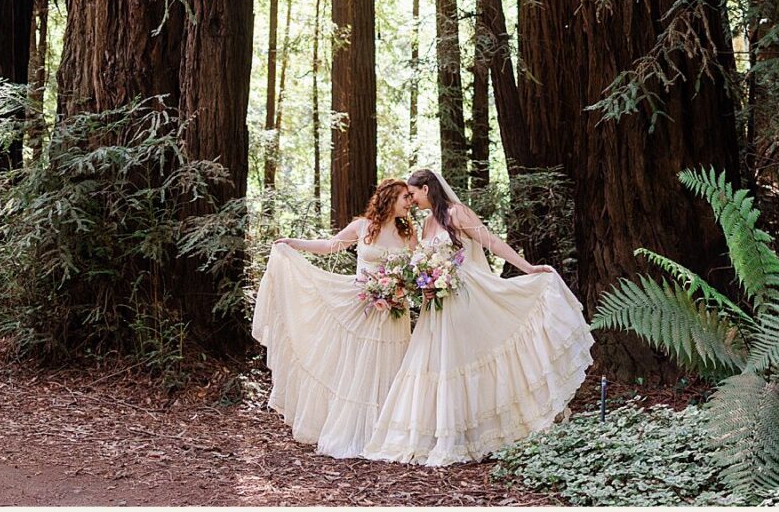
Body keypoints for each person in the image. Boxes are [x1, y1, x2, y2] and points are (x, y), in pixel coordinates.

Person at [363, 167, 593, 466]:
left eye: (413, 193)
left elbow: (491, 242)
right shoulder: (427, 223)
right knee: (438, 362)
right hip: (437, 303)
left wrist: (527, 268)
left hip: (465, 294)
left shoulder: (457, 213)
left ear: (426, 189)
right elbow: (421, 263)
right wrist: (423, 282)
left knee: (464, 358)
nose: (411, 199)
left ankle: (478, 432)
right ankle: (444, 433)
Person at [252, 178, 418, 458]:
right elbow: (330, 245)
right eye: (405, 197)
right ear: (390, 198)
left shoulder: (408, 234)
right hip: (363, 305)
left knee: (390, 362)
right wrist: (294, 243)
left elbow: (416, 268)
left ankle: (388, 431)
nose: (410, 202)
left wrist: (402, 286)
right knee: (361, 364)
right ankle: (356, 430)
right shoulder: (362, 226)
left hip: (393, 310)